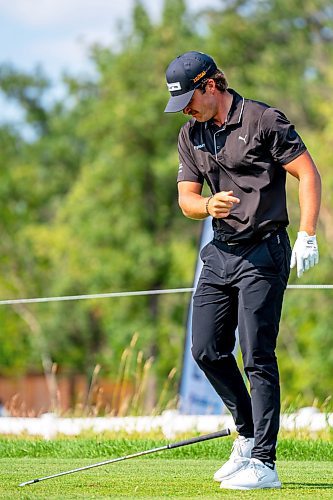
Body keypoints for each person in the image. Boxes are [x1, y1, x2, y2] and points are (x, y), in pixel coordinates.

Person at [164, 51, 321, 490]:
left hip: (264, 253)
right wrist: (206, 206)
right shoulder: (190, 135)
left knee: (256, 355)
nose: (187, 111)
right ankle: (248, 434)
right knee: (206, 349)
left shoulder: (263, 120)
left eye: (189, 100)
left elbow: (307, 174)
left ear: (210, 85)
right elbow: (186, 199)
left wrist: (307, 234)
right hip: (221, 252)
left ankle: (265, 463)